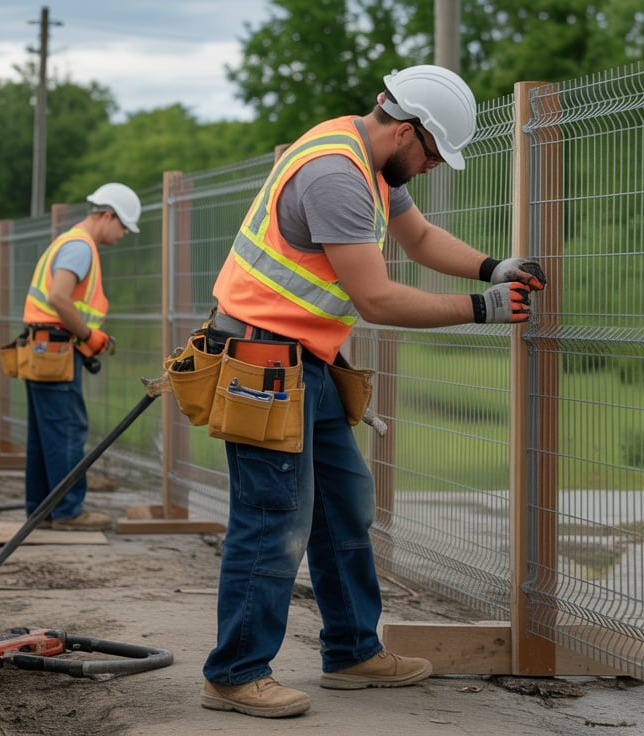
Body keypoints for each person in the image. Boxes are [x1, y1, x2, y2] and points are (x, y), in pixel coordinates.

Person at [199, 65, 546, 719]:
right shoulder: (337, 175)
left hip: (307, 360)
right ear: (409, 131)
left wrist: (490, 266)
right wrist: (482, 308)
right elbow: (376, 297)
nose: (434, 167)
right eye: (434, 154)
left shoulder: (364, 157)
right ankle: (234, 673)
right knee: (274, 520)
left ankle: (354, 651)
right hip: (263, 361)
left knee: (343, 507)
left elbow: (417, 238)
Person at [21, 182, 141, 531]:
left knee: (45, 434)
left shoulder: (68, 242)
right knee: (67, 431)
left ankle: (41, 511)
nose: (122, 235)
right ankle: (70, 512)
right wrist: (89, 335)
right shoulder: (80, 247)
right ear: (107, 216)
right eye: (123, 227)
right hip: (56, 351)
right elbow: (60, 298)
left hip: (43, 348)